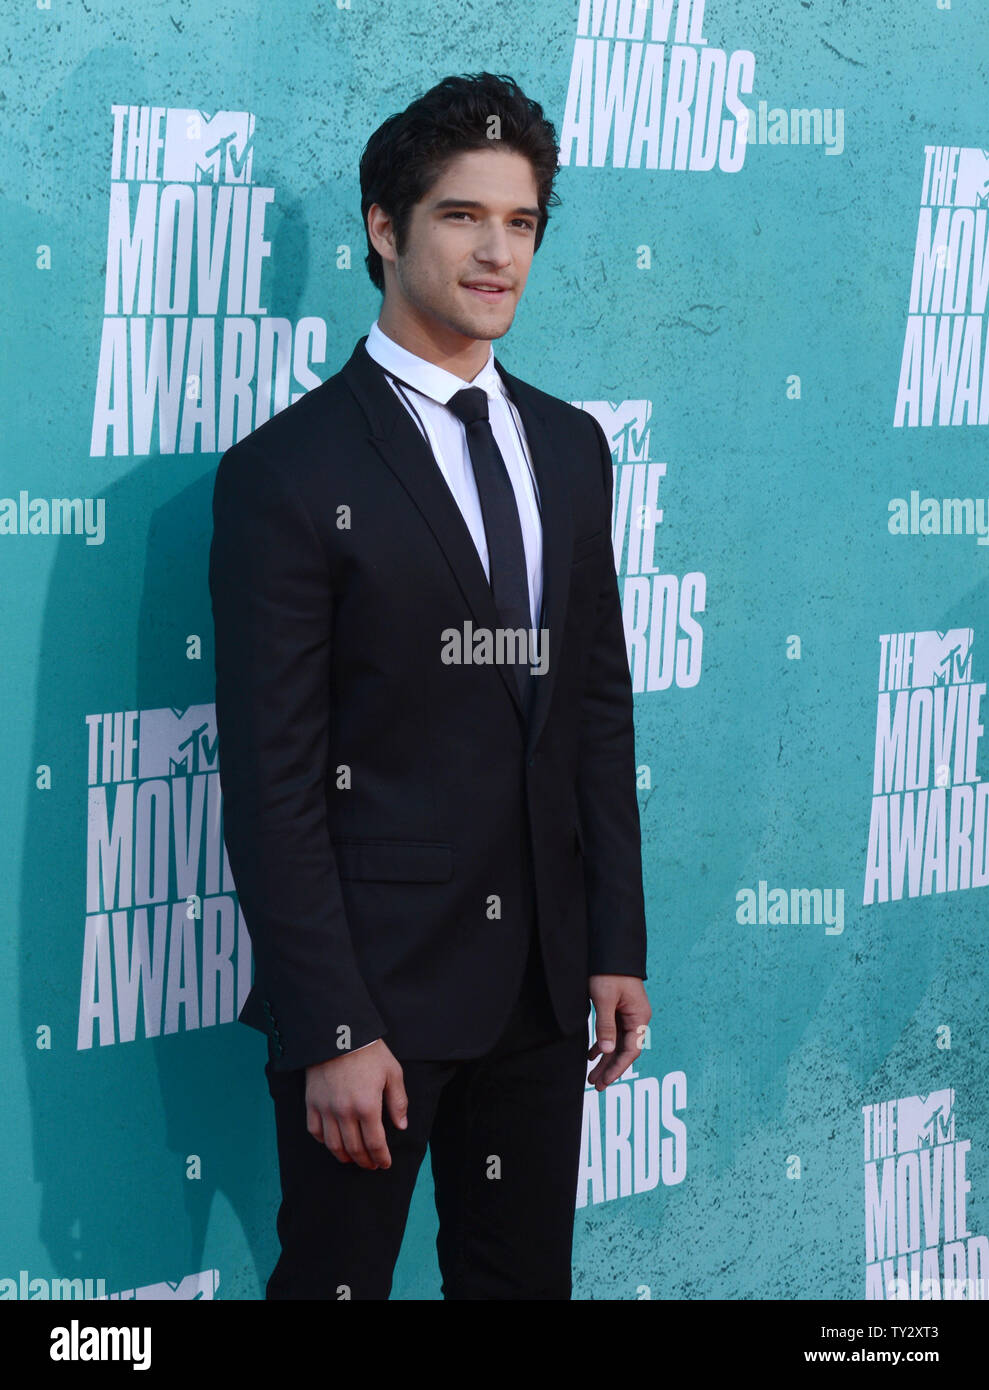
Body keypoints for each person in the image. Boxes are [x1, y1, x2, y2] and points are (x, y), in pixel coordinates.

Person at [209, 70, 650, 1301]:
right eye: (461, 216)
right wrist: (332, 1026)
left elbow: (592, 708)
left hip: (540, 993)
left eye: (519, 223)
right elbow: (273, 782)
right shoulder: (288, 473)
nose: (496, 252)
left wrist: (613, 936)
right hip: (377, 1006)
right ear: (385, 229)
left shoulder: (569, 446)